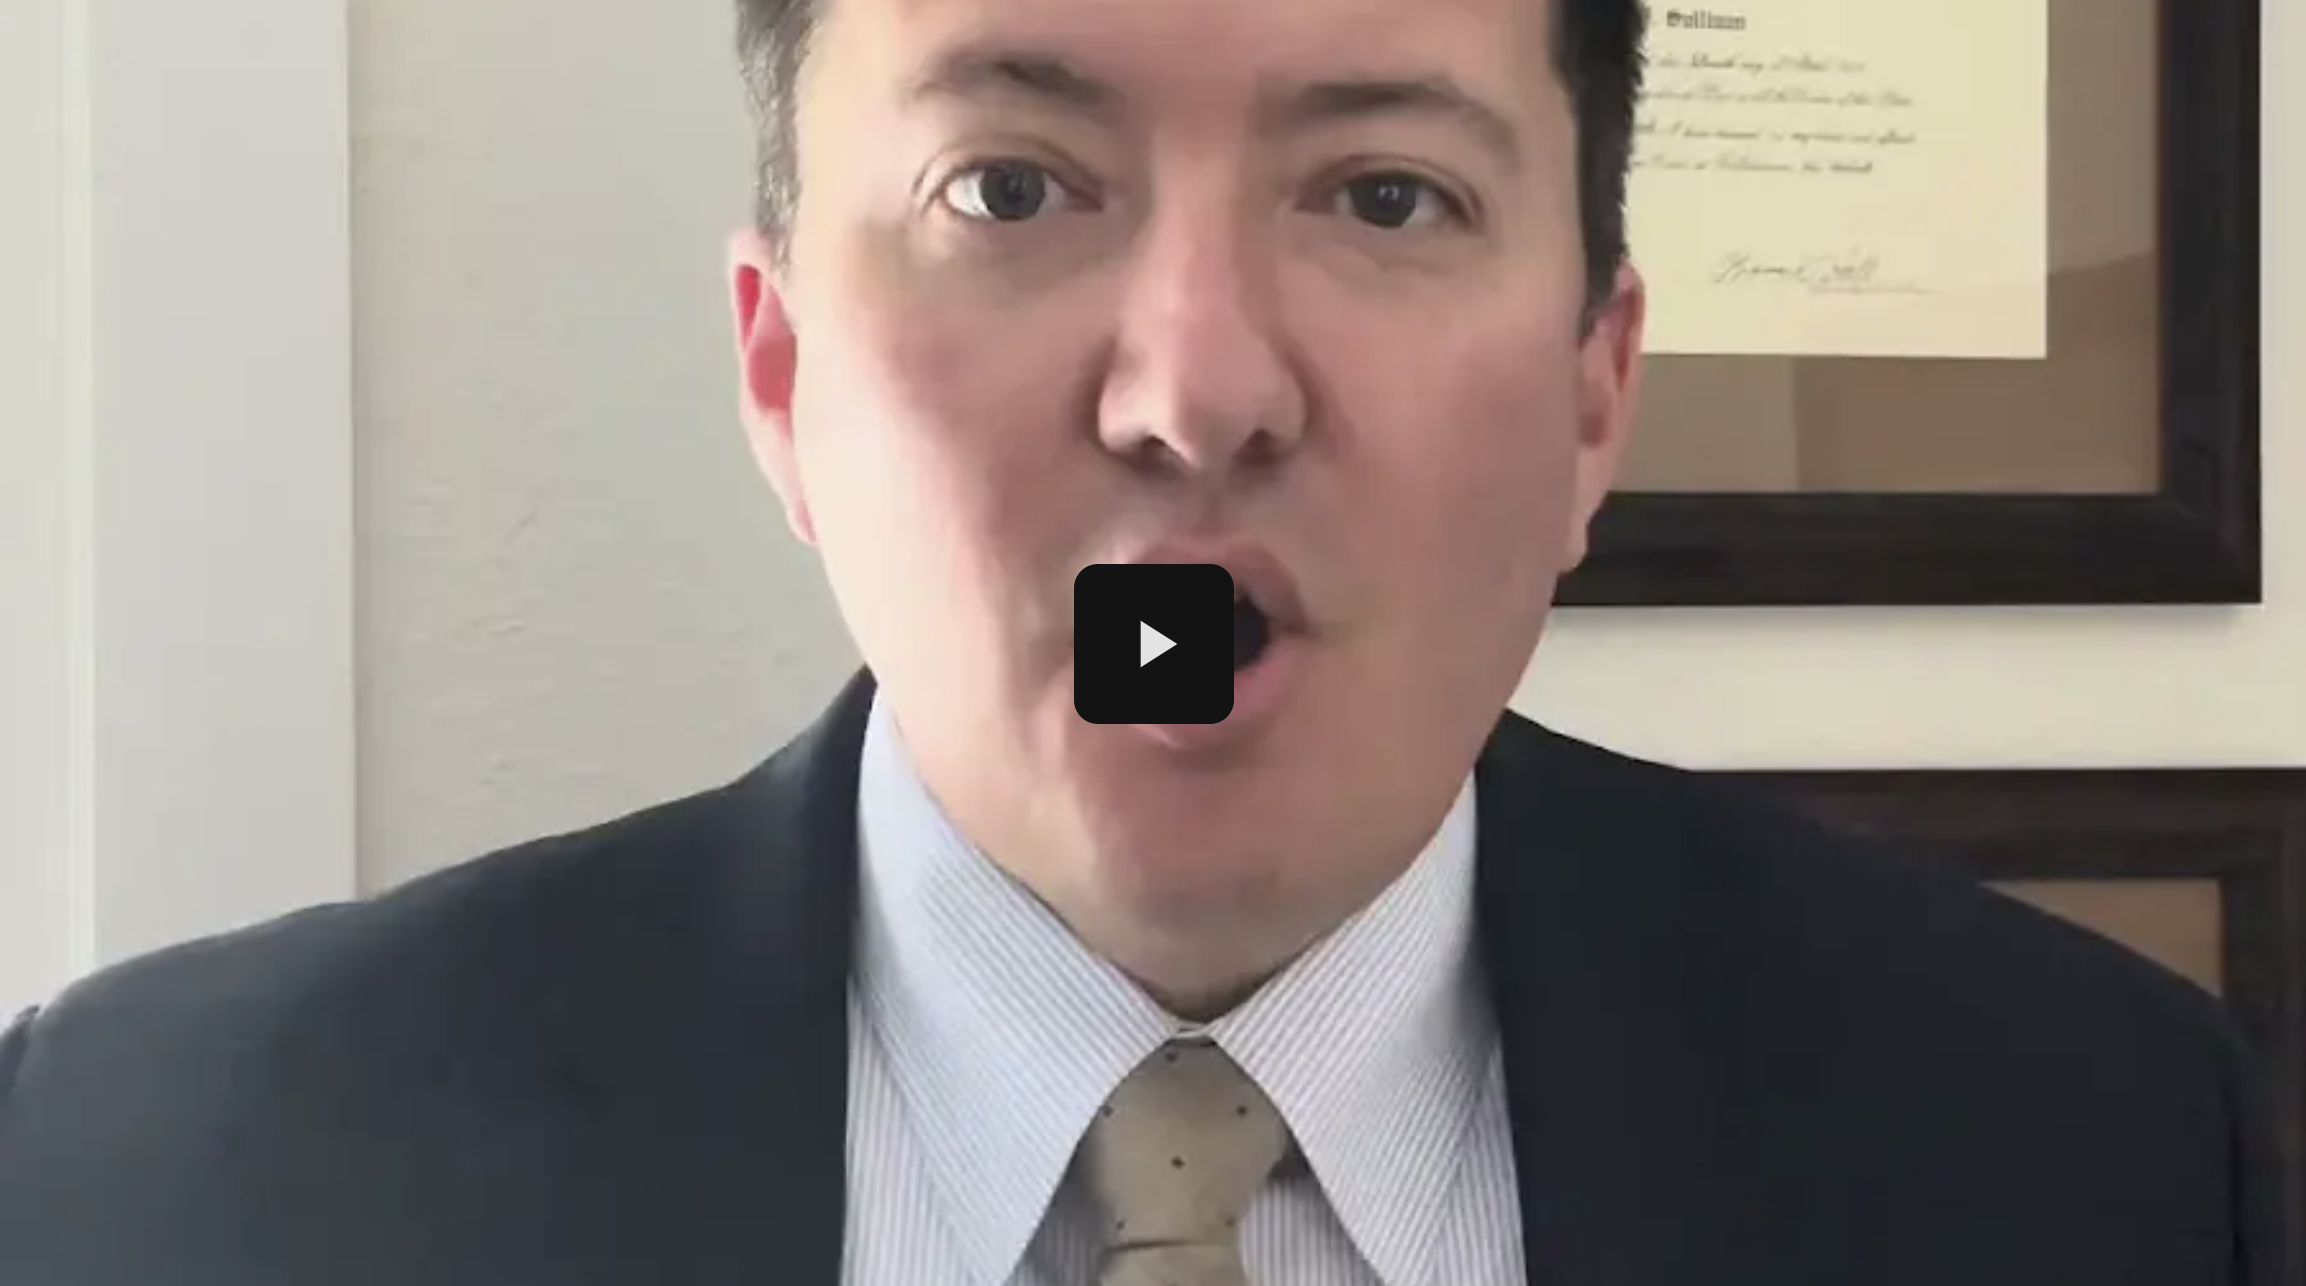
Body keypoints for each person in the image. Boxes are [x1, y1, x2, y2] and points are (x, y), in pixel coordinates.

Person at [0, 0, 2285, 1281]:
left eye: (1383, 194)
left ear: (1594, 399)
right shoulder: (160, 1179)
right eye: (1010, 187)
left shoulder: (2091, 1153)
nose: (1194, 394)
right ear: (781, 376)